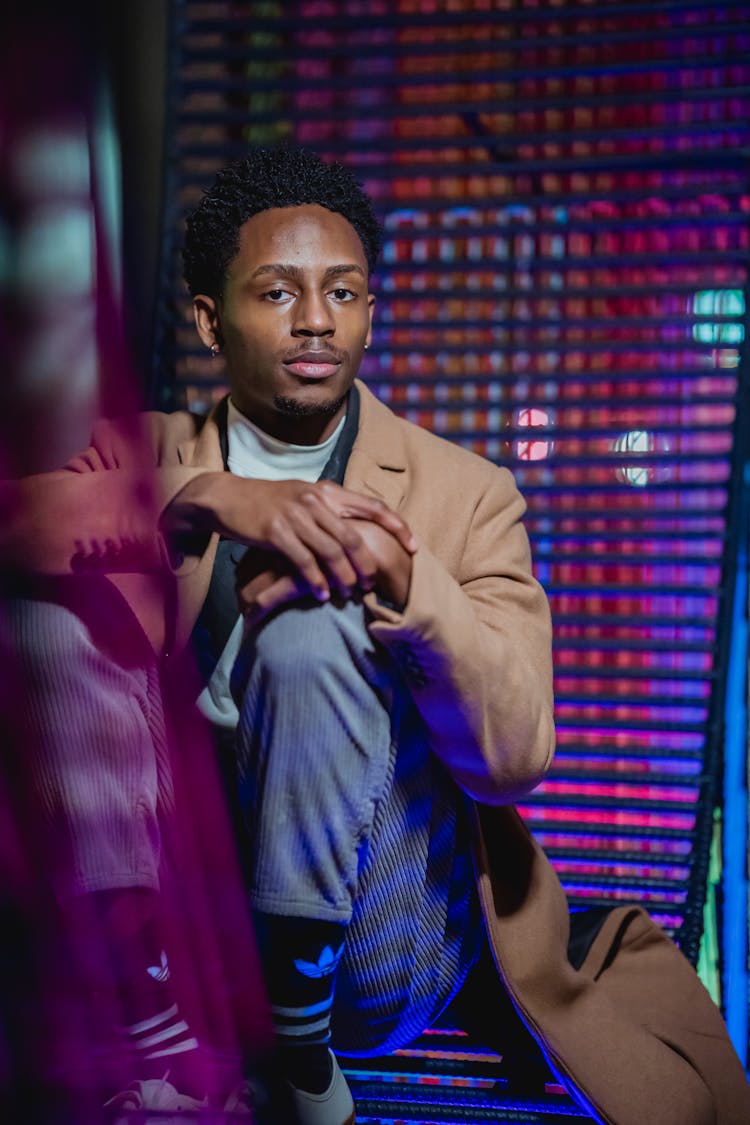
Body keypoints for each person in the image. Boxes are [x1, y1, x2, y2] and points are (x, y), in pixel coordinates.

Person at [2, 146, 748, 1125]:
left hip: (377, 933)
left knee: (313, 619)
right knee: (45, 609)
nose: (317, 319)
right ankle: (154, 1034)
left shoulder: (468, 494)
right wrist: (212, 495)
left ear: (367, 312)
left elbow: (515, 760)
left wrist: (401, 579)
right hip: (191, 927)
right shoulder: (145, 453)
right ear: (210, 317)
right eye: (278, 291)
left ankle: (302, 1062)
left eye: (343, 293)